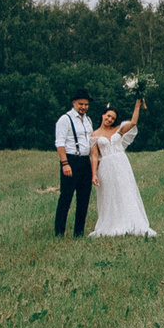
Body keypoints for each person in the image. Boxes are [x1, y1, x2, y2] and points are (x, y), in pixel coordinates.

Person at [89, 101, 157, 238]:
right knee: (110, 194)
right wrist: (94, 174)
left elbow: (133, 123)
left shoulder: (118, 129)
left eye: (113, 118)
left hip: (121, 164)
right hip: (106, 167)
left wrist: (137, 104)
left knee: (126, 191)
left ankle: (131, 221)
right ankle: (112, 223)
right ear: (103, 115)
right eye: (108, 116)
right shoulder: (94, 135)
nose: (109, 120)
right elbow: (94, 156)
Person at [53, 94, 94, 237]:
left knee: (84, 198)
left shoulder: (88, 120)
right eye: (81, 104)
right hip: (71, 160)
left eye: (86, 104)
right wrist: (65, 163)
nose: (83, 107)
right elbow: (60, 143)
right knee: (66, 197)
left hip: (85, 162)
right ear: (74, 103)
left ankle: (79, 233)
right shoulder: (65, 119)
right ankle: (59, 233)